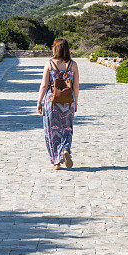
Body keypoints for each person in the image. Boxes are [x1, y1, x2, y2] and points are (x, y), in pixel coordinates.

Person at [37, 38, 80, 170]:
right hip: (68, 103)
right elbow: (76, 87)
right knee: (67, 128)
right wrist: (75, 102)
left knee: (52, 131)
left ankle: (56, 161)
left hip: (52, 102)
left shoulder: (49, 64)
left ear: (55, 48)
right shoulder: (73, 65)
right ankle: (65, 149)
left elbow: (44, 85)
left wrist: (39, 101)